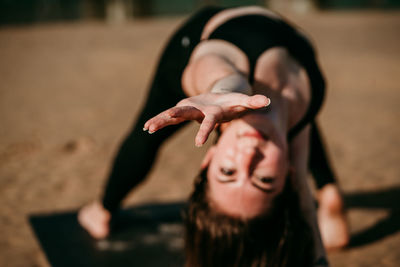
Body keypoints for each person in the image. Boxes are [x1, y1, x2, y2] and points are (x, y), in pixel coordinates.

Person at [78, 5, 349, 265]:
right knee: (147, 135)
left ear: (208, 161)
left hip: (239, 36)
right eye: (264, 179)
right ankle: (104, 209)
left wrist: (219, 94)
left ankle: (329, 192)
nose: (248, 156)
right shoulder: (303, 106)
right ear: (286, 175)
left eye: (228, 172)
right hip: (232, 38)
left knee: (152, 129)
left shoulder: (298, 106)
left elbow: (300, 186)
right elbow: (299, 186)